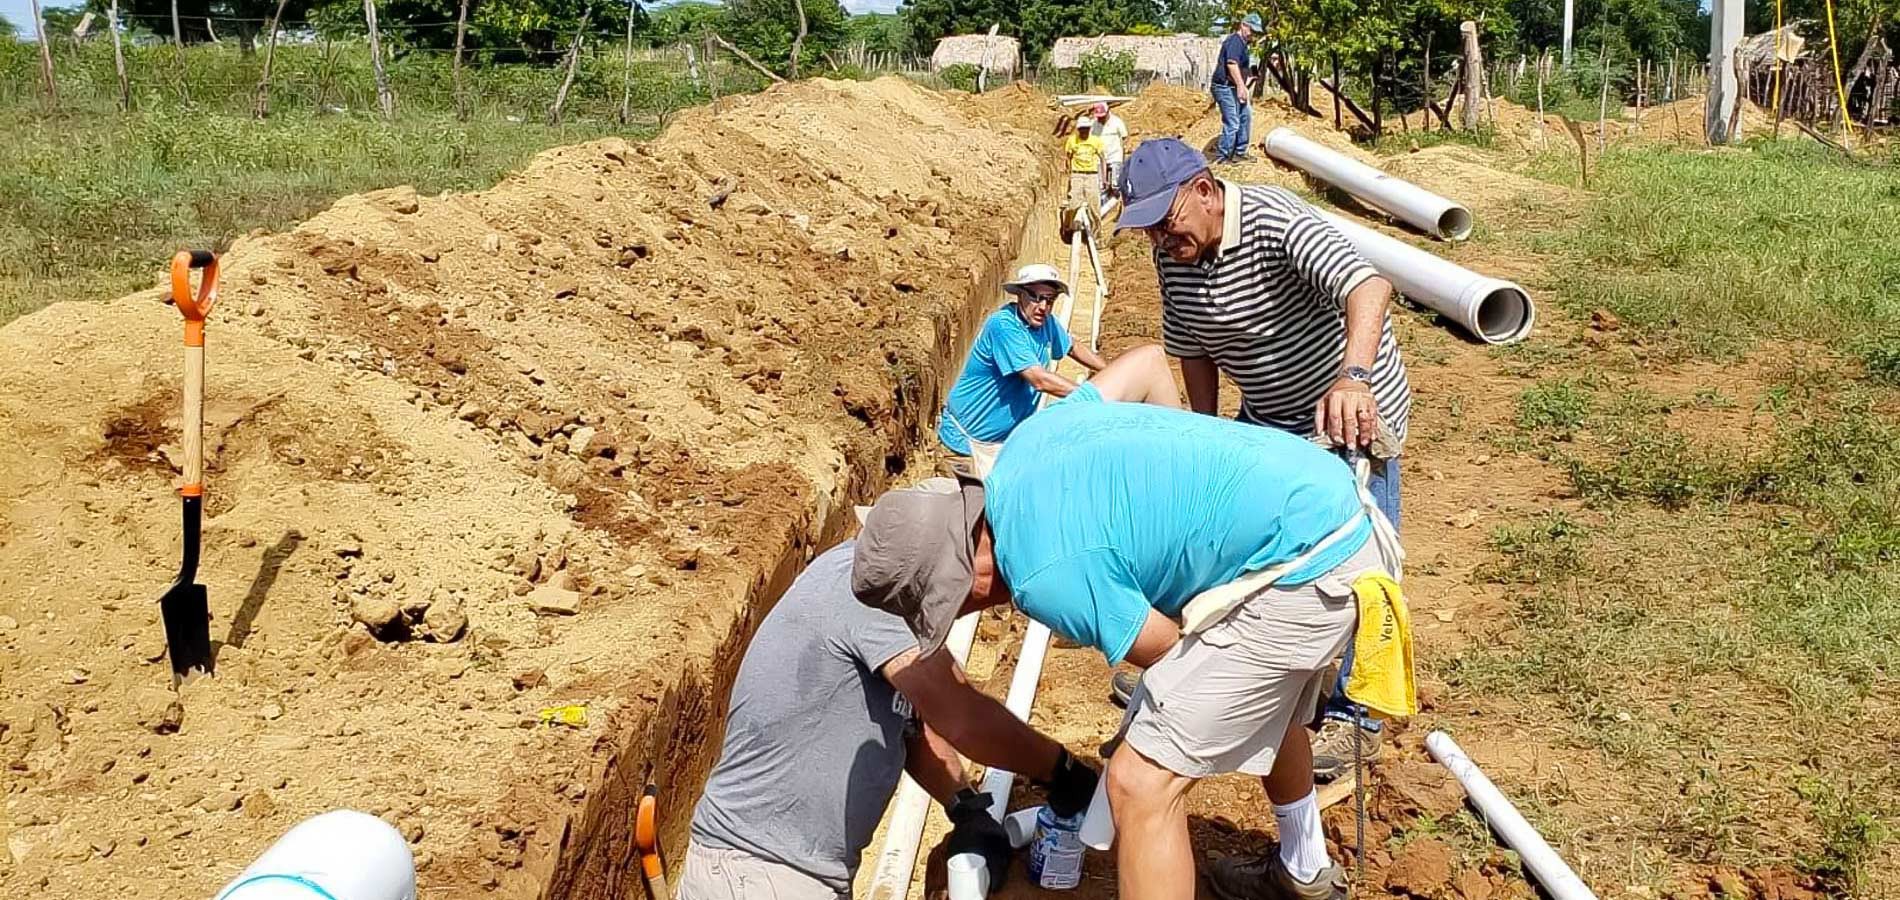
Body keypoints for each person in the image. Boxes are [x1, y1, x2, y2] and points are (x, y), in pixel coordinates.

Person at [854, 395, 1401, 900]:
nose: (972, 611)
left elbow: (1170, 649)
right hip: (1318, 497)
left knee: (1141, 782)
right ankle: (1305, 870)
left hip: (1309, 566)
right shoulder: (1023, 448)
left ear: (963, 567)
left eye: (955, 603)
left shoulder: (1040, 572)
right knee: (1256, 700)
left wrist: (1151, 721)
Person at [1114, 136, 1413, 780]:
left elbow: (1370, 285)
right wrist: (1206, 432)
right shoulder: (1177, 255)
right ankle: (1232, 671)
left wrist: (1353, 377)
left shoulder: (1277, 222)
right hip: (1270, 416)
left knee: (1355, 565)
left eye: (1166, 223)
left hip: (1349, 412)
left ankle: (1353, 718)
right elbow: (1191, 343)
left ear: (1203, 189)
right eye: (1150, 233)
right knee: (1243, 544)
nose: (1163, 242)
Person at [681, 532, 1101, 900]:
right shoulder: (869, 594)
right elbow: (963, 717)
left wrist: (965, 806)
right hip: (759, 875)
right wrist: (1061, 770)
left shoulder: (887, 581)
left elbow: (912, 725)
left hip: (782, 872)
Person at [937, 263, 1181, 476]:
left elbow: (1073, 347)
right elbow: (1039, 379)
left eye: (1050, 300)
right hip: (965, 445)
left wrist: (1115, 373)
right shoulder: (1004, 326)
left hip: (1003, 446)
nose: (1043, 306)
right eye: (1036, 297)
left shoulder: (1046, 324)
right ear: (1020, 295)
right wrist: (1097, 398)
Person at [1212, 13, 1263, 164]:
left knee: (1246, 115)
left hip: (1233, 86)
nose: (1253, 34)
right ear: (1243, 25)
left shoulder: (1243, 44)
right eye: (1252, 30)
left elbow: (1241, 67)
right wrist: (1241, 87)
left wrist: (1247, 79)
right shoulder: (1235, 41)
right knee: (1233, 122)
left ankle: (1240, 152)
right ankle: (1223, 157)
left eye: (1256, 32)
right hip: (1224, 87)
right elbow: (1231, 64)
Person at [1063, 115, 1108, 215]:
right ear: (1078, 129)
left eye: (1086, 129)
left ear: (1089, 129)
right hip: (1077, 174)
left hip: (1092, 175)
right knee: (1074, 203)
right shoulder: (1072, 141)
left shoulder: (1096, 141)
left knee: (1094, 205)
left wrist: (1104, 178)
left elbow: (1102, 159)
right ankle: (1070, 227)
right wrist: (1069, 175)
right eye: (1082, 129)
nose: (1084, 132)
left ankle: (1097, 229)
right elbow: (1067, 158)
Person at [1091, 102, 1131, 202]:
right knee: (1100, 185)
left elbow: (1125, 138)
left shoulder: (1117, 122)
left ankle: (1119, 202)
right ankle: (1103, 205)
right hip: (1100, 157)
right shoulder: (1094, 124)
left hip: (1115, 156)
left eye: (1102, 117)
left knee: (1116, 184)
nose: (1100, 119)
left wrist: (1123, 153)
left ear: (1108, 112)